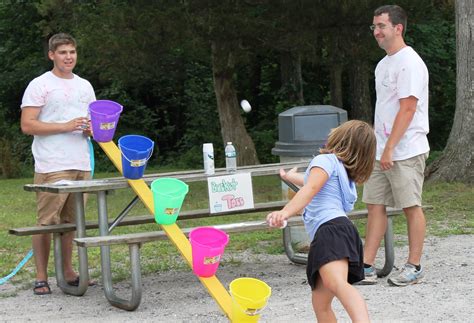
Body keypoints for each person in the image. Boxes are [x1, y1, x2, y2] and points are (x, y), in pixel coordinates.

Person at [267, 120, 376, 322]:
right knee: (321, 304)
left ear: (338, 138)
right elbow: (311, 181)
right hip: (342, 231)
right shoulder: (344, 174)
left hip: (330, 231)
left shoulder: (325, 160)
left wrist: (285, 212)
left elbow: (311, 188)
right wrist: (291, 176)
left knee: (337, 284)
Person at [20, 33, 96, 295]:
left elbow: (94, 124)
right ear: (51, 55)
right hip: (52, 164)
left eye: (72, 52)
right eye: (63, 52)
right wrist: (65, 126)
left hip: (81, 163)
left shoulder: (85, 86)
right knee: (47, 222)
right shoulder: (40, 84)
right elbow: (27, 124)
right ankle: (41, 277)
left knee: (71, 222)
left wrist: (92, 130)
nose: (68, 57)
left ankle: (68, 271)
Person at [361, 5, 430, 286]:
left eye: (381, 26)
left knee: (410, 206)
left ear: (398, 28)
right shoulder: (383, 64)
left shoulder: (410, 62)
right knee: (374, 205)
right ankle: (365, 266)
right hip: (380, 150)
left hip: (406, 150)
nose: (376, 32)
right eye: (374, 27)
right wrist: (377, 147)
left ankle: (413, 266)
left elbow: (408, 109)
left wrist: (390, 148)